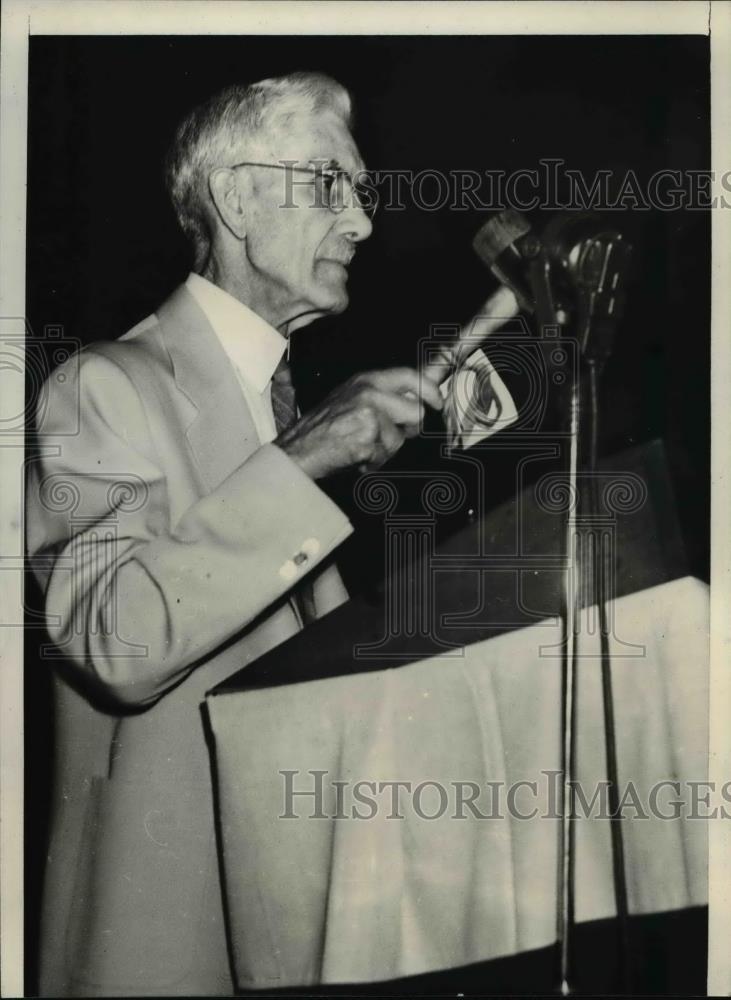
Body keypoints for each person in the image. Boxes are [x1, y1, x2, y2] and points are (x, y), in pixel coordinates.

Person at [26, 72, 511, 996]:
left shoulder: (287, 408)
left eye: (361, 192)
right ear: (237, 198)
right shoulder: (103, 386)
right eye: (331, 182)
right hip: (163, 945)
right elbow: (112, 638)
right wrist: (298, 463)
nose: (364, 221)